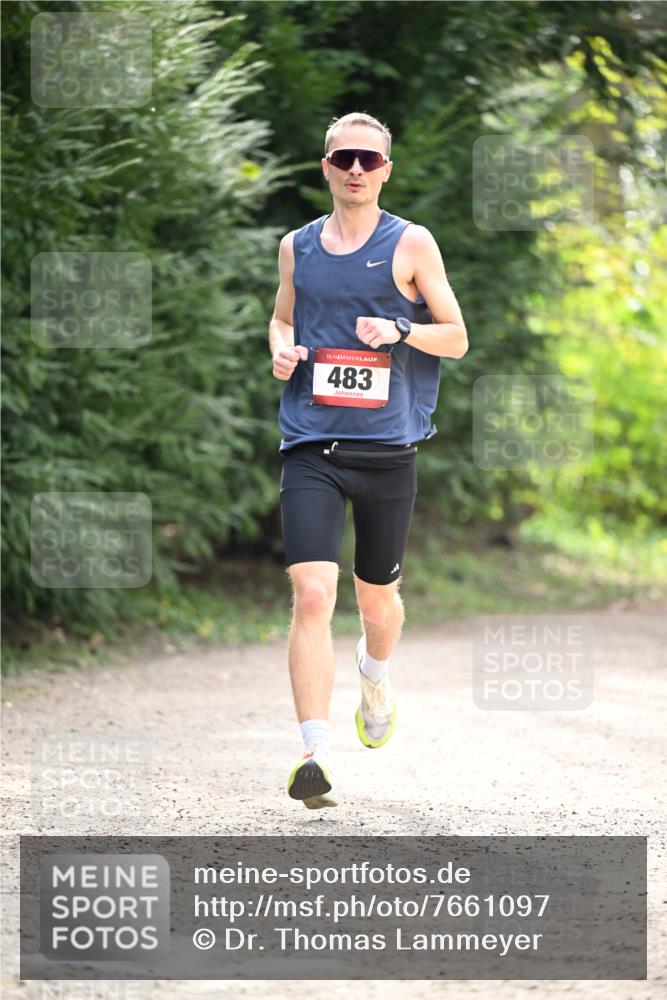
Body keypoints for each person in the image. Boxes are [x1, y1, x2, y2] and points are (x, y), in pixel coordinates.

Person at [268, 111, 467, 809]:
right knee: (312, 593)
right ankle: (314, 752)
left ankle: (374, 673)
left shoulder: (410, 243)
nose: (356, 168)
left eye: (369, 160)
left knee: (376, 602)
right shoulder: (296, 246)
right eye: (344, 157)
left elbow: (456, 338)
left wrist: (402, 328)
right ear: (325, 166)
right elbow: (282, 317)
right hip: (311, 443)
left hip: (386, 450)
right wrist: (282, 349)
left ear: (385, 171)